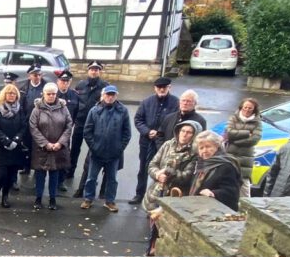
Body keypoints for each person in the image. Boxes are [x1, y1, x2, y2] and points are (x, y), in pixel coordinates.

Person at [129, 76, 180, 204]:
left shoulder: (176, 103)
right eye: (159, 87)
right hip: (147, 141)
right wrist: (147, 131)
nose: (161, 89)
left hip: (165, 143)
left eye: (164, 87)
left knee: (163, 171)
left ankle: (157, 198)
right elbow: (138, 120)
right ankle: (139, 194)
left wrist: (160, 133)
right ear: (155, 88)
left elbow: (176, 123)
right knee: (144, 169)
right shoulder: (147, 102)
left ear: (169, 87)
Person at [81, 84, 131, 212]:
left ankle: (110, 201)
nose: (110, 97)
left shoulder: (123, 111)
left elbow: (127, 133)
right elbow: (87, 131)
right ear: (103, 95)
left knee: (112, 179)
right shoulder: (94, 110)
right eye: (108, 94)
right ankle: (88, 199)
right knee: (91, 178)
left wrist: (119, 149)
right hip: (97, 153)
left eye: (112, 95)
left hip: (114, 154)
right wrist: (94, 147)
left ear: (116, 96)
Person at [29, 82, 73, 211]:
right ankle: (38, 198)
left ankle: (53, 199)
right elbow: (33, 127)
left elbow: (69, 126)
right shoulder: (37, 109)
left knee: (54, 175)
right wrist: (45, 143)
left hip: (58, 148)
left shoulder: (63, 108)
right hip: (41, 149)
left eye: (54, 93)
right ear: (43, 93)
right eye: (49, 94)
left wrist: (60, 143)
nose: (52, 96)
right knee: (40, 174)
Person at [143, 119, 202, 212]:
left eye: (189, 132)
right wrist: (158, 175)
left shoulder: (195, 153)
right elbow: (152, 164)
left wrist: (167, 171)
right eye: (182, 131)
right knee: (152, 219)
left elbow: (186, 177)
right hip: (155, 192)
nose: (184, 134)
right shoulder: (168, 144)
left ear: (194, 135)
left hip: (175, 195)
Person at [0, 84, 28, 208]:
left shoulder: (19, 109)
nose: (11, 95)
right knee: (1, 175)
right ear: (4, 94)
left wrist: (16, 140)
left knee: (11, 176)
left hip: (14, 148)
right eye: (9, 93)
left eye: (14, 93)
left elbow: (23, 126)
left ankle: (5, 196)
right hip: (0, 148)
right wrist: (6, 141)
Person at [68, 62, 108, 182]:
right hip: (80, 122)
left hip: (95, 124)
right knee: (74, 148)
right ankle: (70, 171)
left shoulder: (104, 86)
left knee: (93, 150)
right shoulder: (80, 85)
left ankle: (90, 176)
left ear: (99, 71)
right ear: (88, 71)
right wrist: (73, 119)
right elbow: (75, 103)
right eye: (92, 69)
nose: (94, 71)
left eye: (96, 69)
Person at [188, 130, 242, 211]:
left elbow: (232, 192)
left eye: (208, 146)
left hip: (220, 211)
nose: (204, 150)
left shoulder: (226, 165)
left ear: (217, 146)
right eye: (201, 148)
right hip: (200, 208)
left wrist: (213, 193)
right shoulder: (201, 163)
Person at [224, 98, 263, 198]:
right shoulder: (233, 118)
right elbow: (228, 132)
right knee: (226, 183)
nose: (247, 110)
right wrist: (246, 133)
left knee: (244, 190)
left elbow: (255, 139)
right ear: (241, 107)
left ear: (254, 109)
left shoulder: (257, 122)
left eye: (250, 108)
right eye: (245, 107)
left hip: (245, 160)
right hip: (230, 155)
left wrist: (234, 140)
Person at [54, 71, 79, 192]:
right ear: (57, 82)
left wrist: (70, 126)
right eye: (62, 81)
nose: (65, 84)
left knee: (63, 156)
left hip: (65, 132)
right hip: (51, 130)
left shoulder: (74, 95)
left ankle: (60, 181)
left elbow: (76, 112)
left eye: (67, 82)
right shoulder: (52, 94)